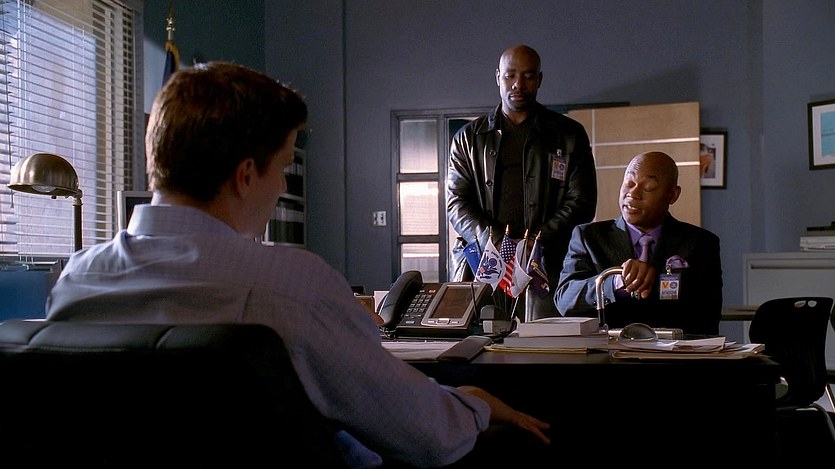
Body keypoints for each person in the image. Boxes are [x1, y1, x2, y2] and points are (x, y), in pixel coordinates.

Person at [44, 62, 550, 468]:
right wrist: (474, 403)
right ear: (246, 175)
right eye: (284, 166)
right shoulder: (290, 284)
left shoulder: (76, 281)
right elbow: (427, 434)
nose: (284, 185)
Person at [447, 44, 597, 321]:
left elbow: (582, 201)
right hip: (485, 262)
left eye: (528, 76)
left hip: (548, 263)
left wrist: (535, 242)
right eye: (510, 75)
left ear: (539, 79)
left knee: (545, 340)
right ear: (498, 77)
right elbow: (456, 203)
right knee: (482, 337)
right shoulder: (468, 138)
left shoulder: (568, 134)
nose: (518, 84)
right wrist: (496, 242)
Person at [555, 151, 722, 336]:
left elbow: (707, 319)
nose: (633, 194)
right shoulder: (588, 237)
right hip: (608, 350)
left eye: (648, 187)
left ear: (672, 195)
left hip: (675, 350)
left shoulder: (702, 243)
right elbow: (565, 300)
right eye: (629, 183)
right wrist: (616, 282)